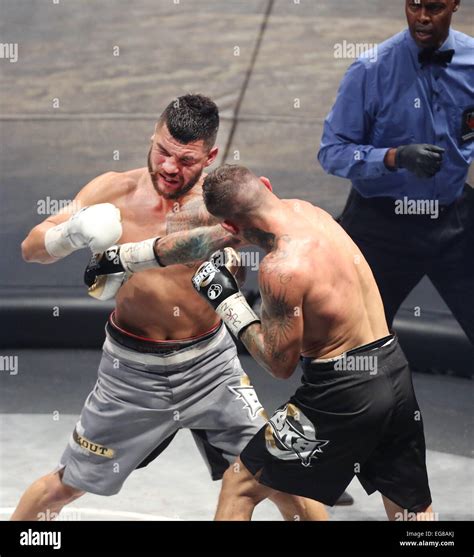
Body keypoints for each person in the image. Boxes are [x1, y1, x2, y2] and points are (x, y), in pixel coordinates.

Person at [13, 95, 326, 521]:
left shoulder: (220, 202)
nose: (169, 167)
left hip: (211, 367)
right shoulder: (112, 190)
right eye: (163, 150)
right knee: (63, 487)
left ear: (210, 156)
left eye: (186, 159)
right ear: (153, 134)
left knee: (285, 480)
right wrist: (72, 232)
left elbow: (270, 251)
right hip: (131, 375)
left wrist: (232, 271)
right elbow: (32, 249)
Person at [190, 164, 434, 521]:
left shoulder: (281, 268)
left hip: (342, 392)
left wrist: (227, 300)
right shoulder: (310, 211)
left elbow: (279, 364)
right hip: (394, 370)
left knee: (240, 485)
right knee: (411, 508)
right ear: (266, 184)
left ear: (229, 226)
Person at [318, 0, 474, 343]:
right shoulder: (370, 69)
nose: (421, 17)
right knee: (350, 343)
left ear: (456, 4)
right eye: (413, 4)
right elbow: (331, 153)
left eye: (434, 7)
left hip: (454, 218)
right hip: (381, 225)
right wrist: (393, 157)